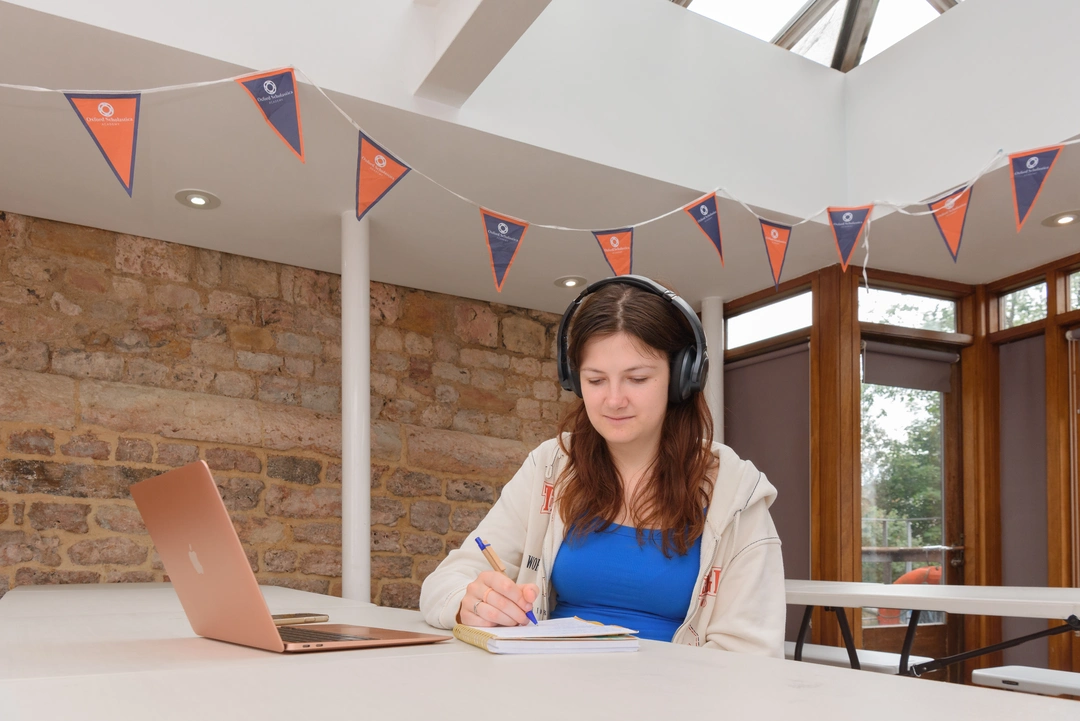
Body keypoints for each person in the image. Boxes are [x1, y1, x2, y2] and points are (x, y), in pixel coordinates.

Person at [419, 276, 785, 655]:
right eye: (595, 380)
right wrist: (471, 602)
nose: (613, 400)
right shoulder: (551, 466)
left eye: (637, 378)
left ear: (681, 379)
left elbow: (750, 657)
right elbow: (444, 582)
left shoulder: (737, 493)